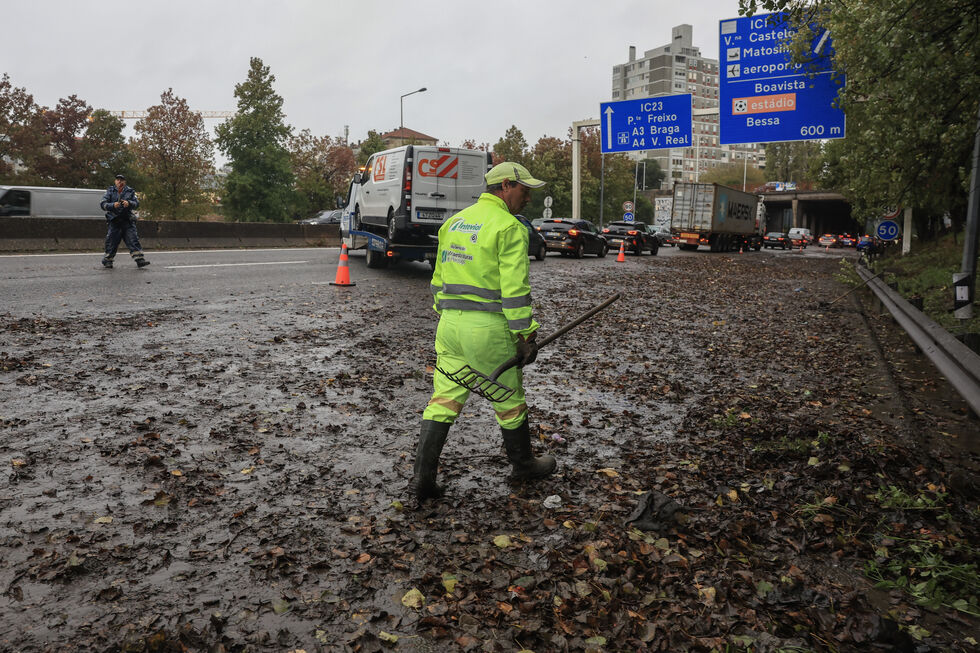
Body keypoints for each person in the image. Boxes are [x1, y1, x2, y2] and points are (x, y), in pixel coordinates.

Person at [412, 162, 556, 499]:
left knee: (444, 399)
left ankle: (422, 480)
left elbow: (437, 282)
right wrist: (526, 337)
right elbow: (515, 293)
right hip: (488, 330)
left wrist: (450, 317)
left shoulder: (454, 223)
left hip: (449, 326)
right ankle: (523, 465)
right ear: (505, 185)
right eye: (524, 190)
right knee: (510, 401)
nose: (528, 198)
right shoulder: (509, 227)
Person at [100, 174, 149, 268]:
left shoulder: (130, 191)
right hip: (114, 220)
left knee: (133, 239)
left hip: (127, 220)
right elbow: (103, 204)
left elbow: (136, 203)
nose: (119, 182)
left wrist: (129, 203)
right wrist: (112, 205)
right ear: (115, 181)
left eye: (121, 180)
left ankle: (140, 260)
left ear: (124, 182)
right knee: (111, 241)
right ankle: (107, 260)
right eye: (118, 180)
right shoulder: (110, 190)